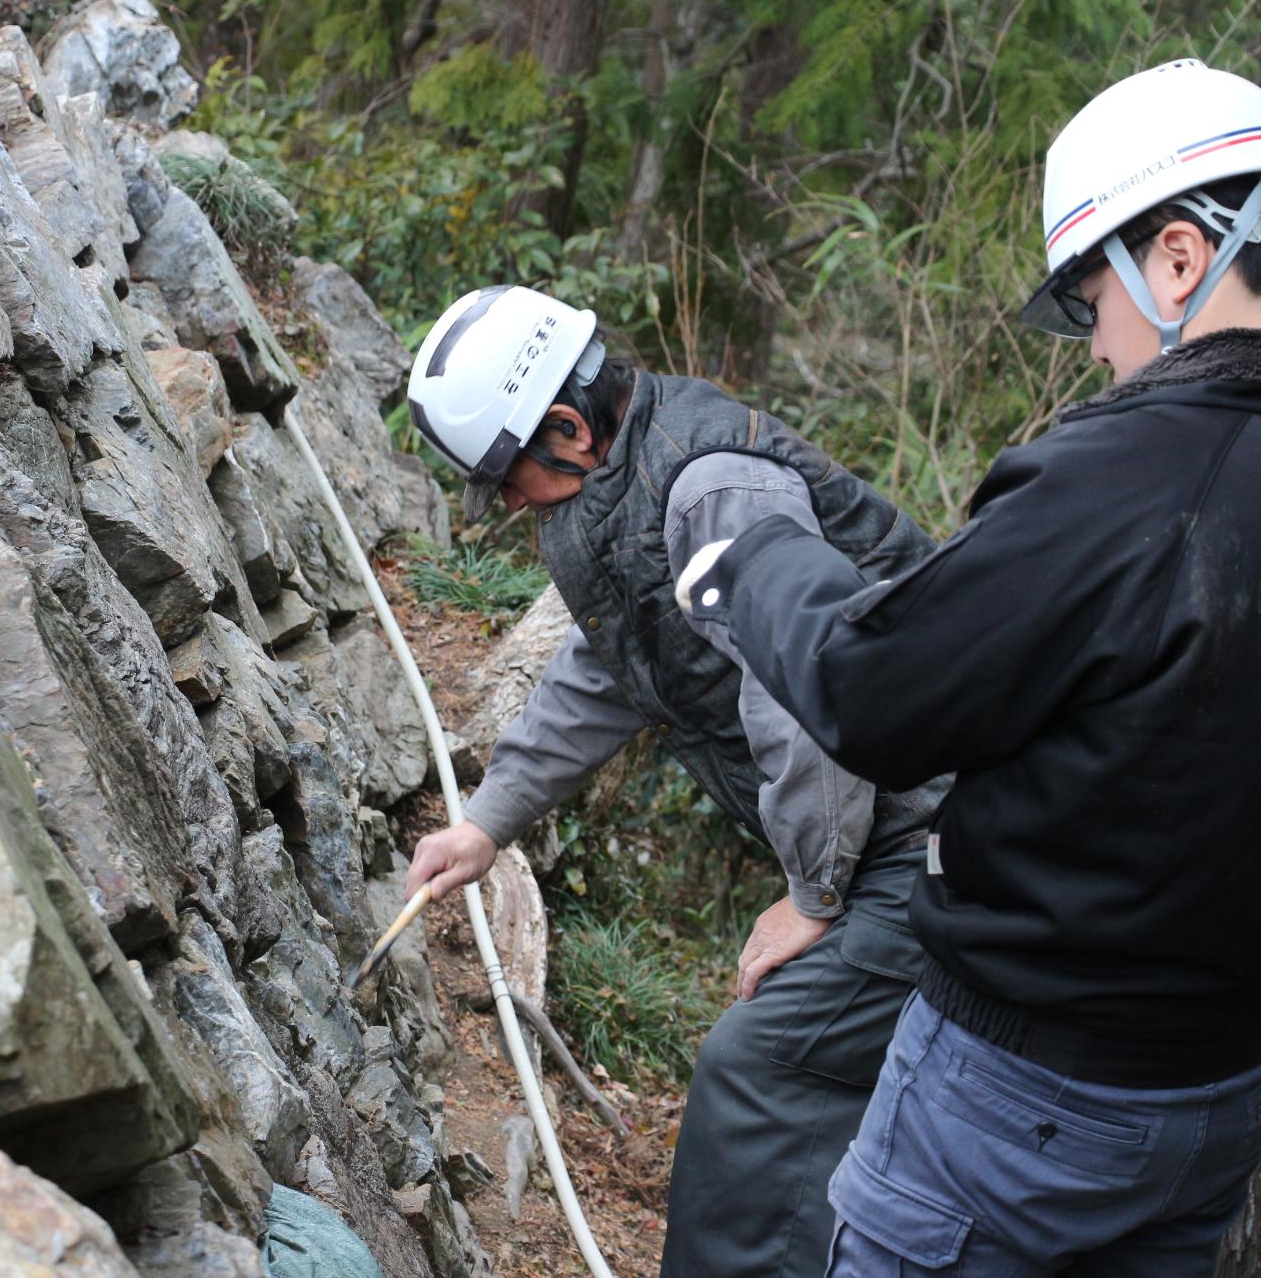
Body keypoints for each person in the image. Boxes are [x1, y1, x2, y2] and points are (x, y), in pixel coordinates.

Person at [675, 58, 1261, 1275]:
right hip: (1218, 1089)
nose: (1093, 348)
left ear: (1181, 259)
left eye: (1091, 300)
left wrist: (746, 556)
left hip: (1016, 1095)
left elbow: (869, 693)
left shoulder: (1128, 478)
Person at [397, 283, 951, 1277]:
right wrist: (487, 823)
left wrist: (812, 896)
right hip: (887, 830)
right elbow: (610, 668)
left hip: (945, 830)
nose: (511, 504)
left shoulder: (713, 492)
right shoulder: (619, 492)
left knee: (763, 1070)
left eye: (509, 478)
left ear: (565, 428)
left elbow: (802, 695)